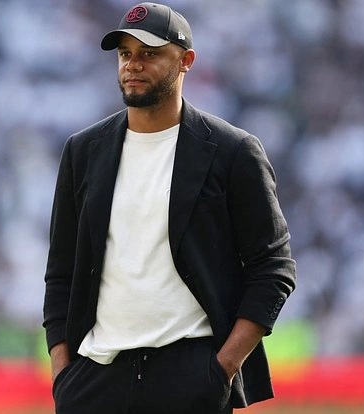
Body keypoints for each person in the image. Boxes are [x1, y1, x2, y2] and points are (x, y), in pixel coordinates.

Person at [42, 3, 296, 413]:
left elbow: (273, 267)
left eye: (149, 53)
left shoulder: (233, 151)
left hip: (190, 375)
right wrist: (63, 373)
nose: (133, 65)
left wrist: (223, 368)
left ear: (186, 61)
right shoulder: (83, 152)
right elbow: (61, 272)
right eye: (125, 54)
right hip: (95, 378)